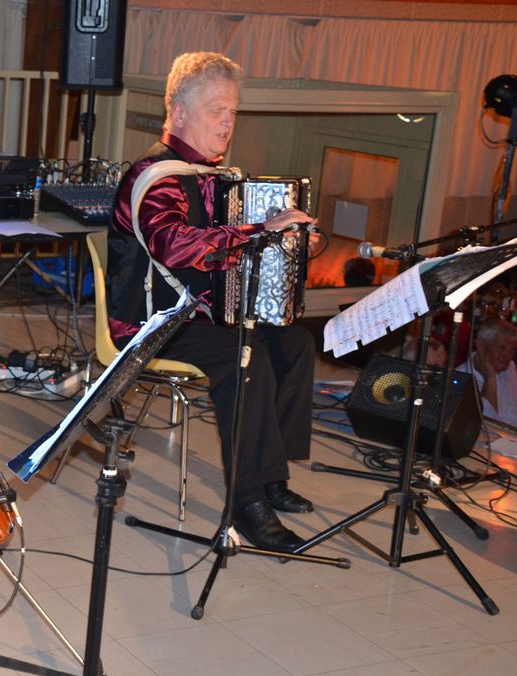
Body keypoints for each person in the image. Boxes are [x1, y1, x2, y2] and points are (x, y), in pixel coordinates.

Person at [107, 52, 318, 552]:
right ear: (179, 112)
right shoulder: (155, 178)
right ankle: (247, 505)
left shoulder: (216, 177)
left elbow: (234, 251)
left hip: (202, 310)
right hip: (152, 318)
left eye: (233, 111)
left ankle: (270, 478)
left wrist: (295, 241)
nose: (228, 122)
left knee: (293, 341)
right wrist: (258, 233)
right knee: (242, 357)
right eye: (216, 110)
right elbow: (174, 244)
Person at [457, 318, 517, 426]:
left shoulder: (509, 367)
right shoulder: (462, 378)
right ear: (481, 346)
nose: (507, 356)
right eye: (502, 348)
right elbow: (485, 427)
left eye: (512, 350)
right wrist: (490, 378)